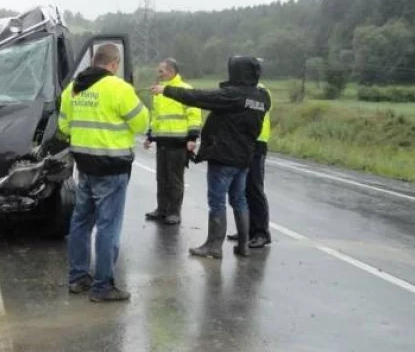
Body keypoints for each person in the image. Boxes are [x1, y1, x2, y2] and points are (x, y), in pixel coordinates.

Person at [150, 56, 270, 259]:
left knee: (217, 201)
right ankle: (243, 245)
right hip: (245, 156)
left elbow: (197, 97)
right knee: (239, 199)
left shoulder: (232, 95)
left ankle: (214, 246)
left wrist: (167, 90)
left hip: (223, 155)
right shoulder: (262, 97)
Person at [59, 43, 150, 301]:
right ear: (114, 63)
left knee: (81, 222)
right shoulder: (119, 88)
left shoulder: (73, 88)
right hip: (112, 168)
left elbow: (64, 126)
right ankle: (102, 286)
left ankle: (78, 278)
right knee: (108, 226)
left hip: (85, 167)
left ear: (93, 61)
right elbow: (142, 123)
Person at [144, 58, 202, 225]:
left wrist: (192, 137)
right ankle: (162, 209)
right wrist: (150, 136)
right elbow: (156, 117)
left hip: (178, 143)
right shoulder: (159, 91)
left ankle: (174, 212)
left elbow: (194, 115)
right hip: (162, 143)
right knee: (161, 178)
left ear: (171, 71)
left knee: (175, 180)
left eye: (161, 71)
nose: (158, 73)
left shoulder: (185, 90)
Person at [228, 76, 272, 248]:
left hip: (256, 143)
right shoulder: (242, 89)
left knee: (254, 188)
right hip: (241, 143)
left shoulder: (260, 91)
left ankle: (261, 233)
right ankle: (246, 230)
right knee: (241, 189)